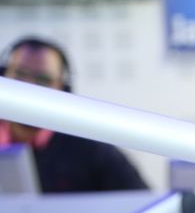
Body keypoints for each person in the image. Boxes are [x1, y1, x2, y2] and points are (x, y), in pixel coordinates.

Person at [0, 36, 148, 193]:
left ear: (63, 91)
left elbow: (146, 200)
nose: (29, 87)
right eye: (20, 74)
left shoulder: (92, 149)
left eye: (43, 80)